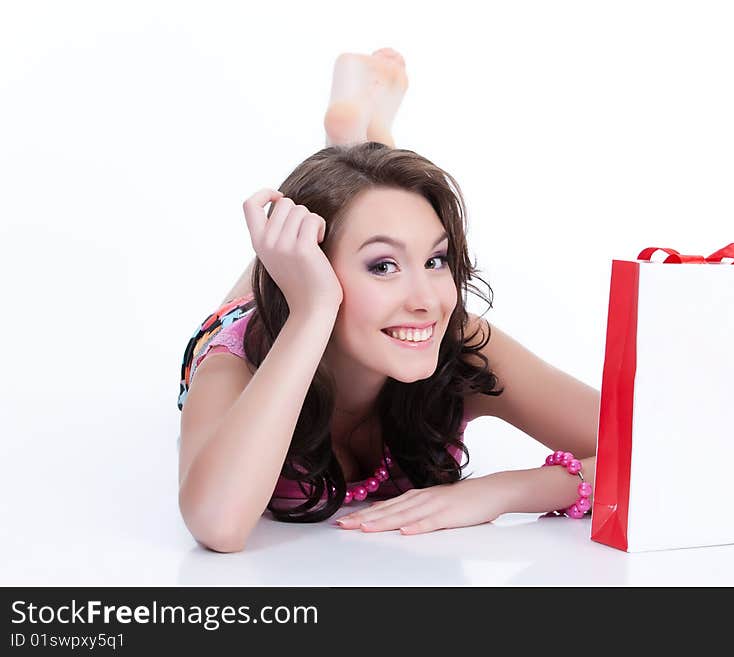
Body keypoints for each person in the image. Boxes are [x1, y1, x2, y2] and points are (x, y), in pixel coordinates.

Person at [177, 48, 600, 553]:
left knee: (362, 209)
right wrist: (312, 309)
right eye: (384, 267)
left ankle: (351, 155)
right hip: (263, 321)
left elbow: (659, 446)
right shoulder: (234, 366)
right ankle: (343, 159)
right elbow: (217, 526)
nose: (426, 300)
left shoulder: (458, 339)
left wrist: (509, 491)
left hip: (330, 299)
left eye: (436, 260)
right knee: (272, 272)